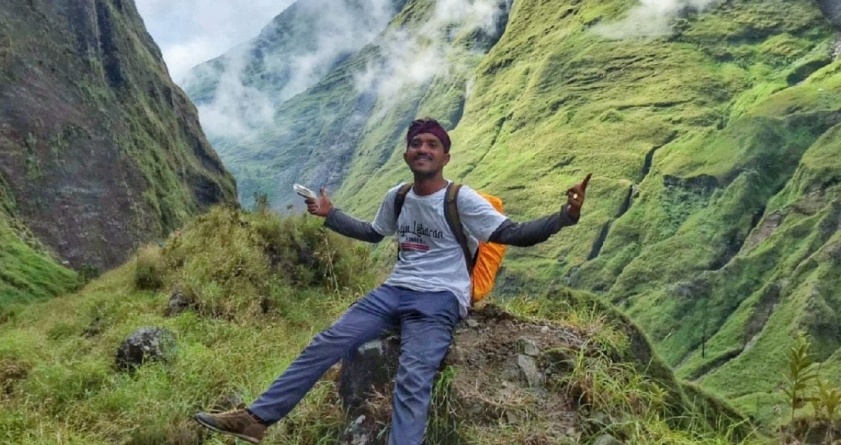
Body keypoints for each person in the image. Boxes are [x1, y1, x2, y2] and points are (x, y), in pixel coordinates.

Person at [193, 118, 592, 445]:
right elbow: (372, 232)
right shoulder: (398, 196)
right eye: (416, 143)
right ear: (406, 153)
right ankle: (256, 419)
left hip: (440, 299)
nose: (423, 149)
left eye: (432, 145)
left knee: (413, 379)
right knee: (327, 341)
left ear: (445, 156)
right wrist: (330, 214)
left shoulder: (462, 199)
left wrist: (564, 217)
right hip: (394, 290)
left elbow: (513, 233)